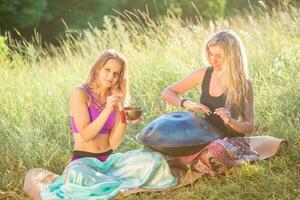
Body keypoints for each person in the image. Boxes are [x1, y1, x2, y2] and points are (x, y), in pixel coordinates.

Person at [23, 49, 177, 200]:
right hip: (83, 162)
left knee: (154, 159)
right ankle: (113, 184)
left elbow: (113, 143)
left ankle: (109, 183)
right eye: (107, 70)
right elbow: (86, 134)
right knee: (80, 178)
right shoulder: (80, 93)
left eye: (116, 73)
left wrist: (121, 112)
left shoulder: (114, 97)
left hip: (109, 160)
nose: (111, 76)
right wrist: (108, 108)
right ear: (97, 68)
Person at [161, 30, 258, 176]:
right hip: (204, 137)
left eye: (219, 56)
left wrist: (230, 121)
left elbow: (249, 127)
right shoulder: (204, 73)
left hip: (228, 142)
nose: (213, 60)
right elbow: (167, 92)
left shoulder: (244, 84)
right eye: (211, 54)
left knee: (216, 150)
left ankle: (187, 161)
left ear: (232, 56)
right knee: (168, 135)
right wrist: (188, 104)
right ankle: (195, 161)